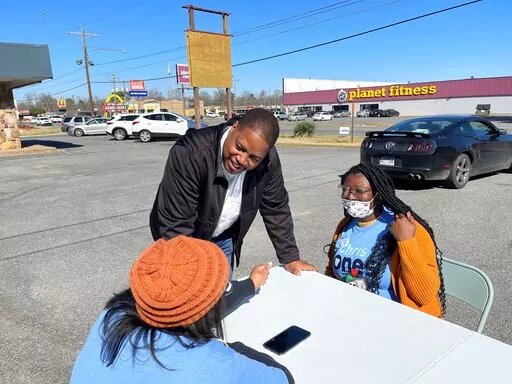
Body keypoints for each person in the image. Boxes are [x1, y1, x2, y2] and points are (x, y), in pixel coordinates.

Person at [71, 236, 294, 383]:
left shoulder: (112, 316)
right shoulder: (214, 365)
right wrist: (230, 348)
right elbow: (283, 378)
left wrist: (249, 284)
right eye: (224, 288)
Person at [149, 108, 315, 276]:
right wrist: (189, 271)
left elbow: (276, 207)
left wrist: (290, 258)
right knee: (192, 293)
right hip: (183, 238)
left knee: (223, 297)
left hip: (224, 238)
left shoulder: (268, 161)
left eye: (254, 158)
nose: (241, 160)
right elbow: (176, 225)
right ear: (234, 126)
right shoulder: (190, 153)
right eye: (240, 147)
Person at [324, 163, 445, 317]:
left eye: (359, 191)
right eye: (345, 189)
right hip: (351, 314)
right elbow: (333, 272)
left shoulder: (407, 228)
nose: (350, 196)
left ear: (378, 194)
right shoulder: (345, 225)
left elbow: (424, 295)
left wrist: (406, 241)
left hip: (399, 321)